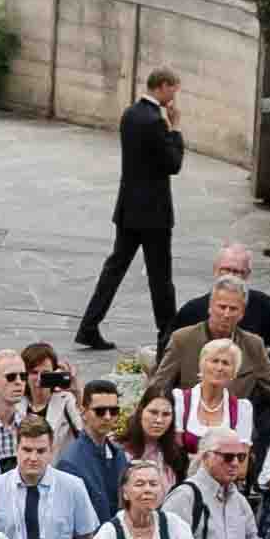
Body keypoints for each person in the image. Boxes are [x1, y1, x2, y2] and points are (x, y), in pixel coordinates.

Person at [87, 67, 189, 350]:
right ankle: (167, 333)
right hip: (153, 213)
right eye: (174, 90)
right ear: (164, 86)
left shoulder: (130, 113)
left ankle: (89, 325)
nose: (174, 98)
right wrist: (176, 128)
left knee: (114, 268)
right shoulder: (155, 120)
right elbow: (173, 164)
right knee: (161, 276)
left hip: (129, 208)